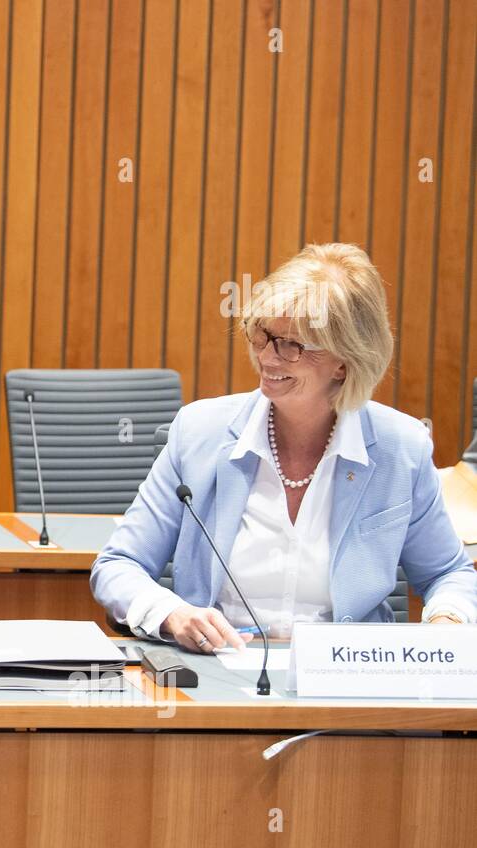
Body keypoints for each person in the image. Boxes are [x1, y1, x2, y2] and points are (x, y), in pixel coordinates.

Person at [92, 242, 476, 653]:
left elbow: (448, 573)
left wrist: (446, 619)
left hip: (346, 686)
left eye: (291, 346)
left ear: (344, 362)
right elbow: (118, 566)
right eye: (262, 335)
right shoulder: (199, 431)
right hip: (214, 680)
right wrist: (171, 613)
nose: (267, 358)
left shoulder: (401, 448)